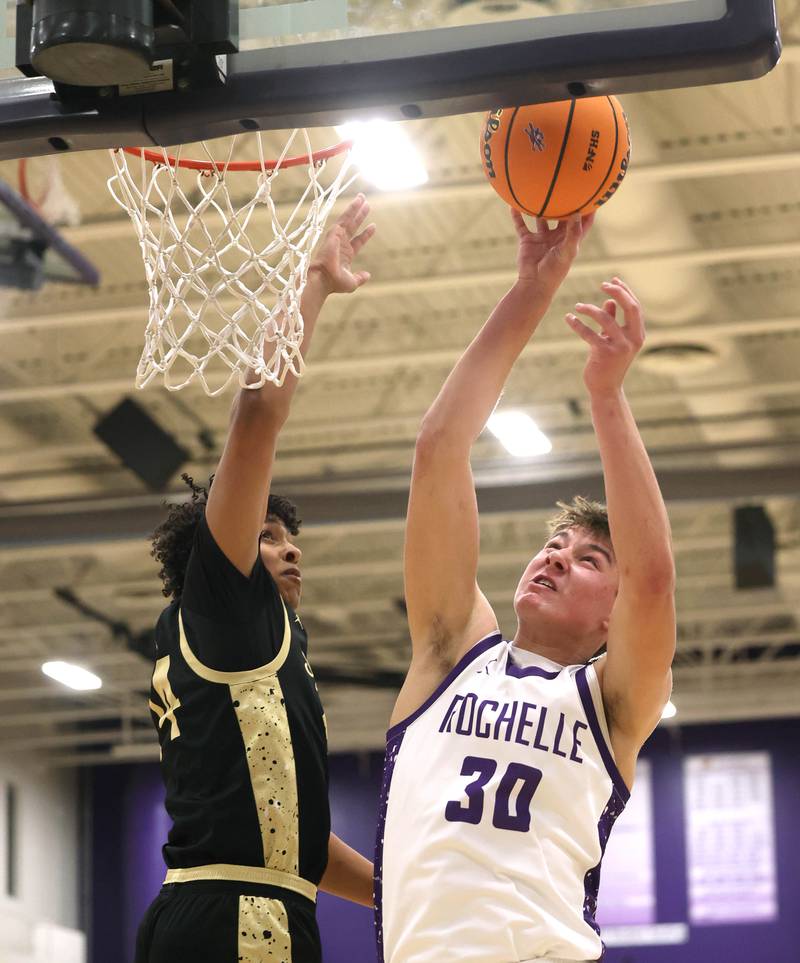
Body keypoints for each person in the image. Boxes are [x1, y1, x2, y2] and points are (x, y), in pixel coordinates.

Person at [376, 210, 676, 963]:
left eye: (588, 560)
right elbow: (440, 446)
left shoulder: (611, 702)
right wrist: (529, 294)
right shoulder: (450, 651)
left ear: (611, 614)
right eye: (553, 544)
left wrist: (607, 396)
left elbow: (654, 578)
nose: (555, 558)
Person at [135, 194, 376, 963]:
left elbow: (295, 840)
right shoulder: (225, 604)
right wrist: (312, 282)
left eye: (290, 537)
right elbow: (256, 413)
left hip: (233, 906)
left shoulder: (241, 648)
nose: (289, 550)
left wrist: (398, 887)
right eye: (268, 536)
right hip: (240, 920)